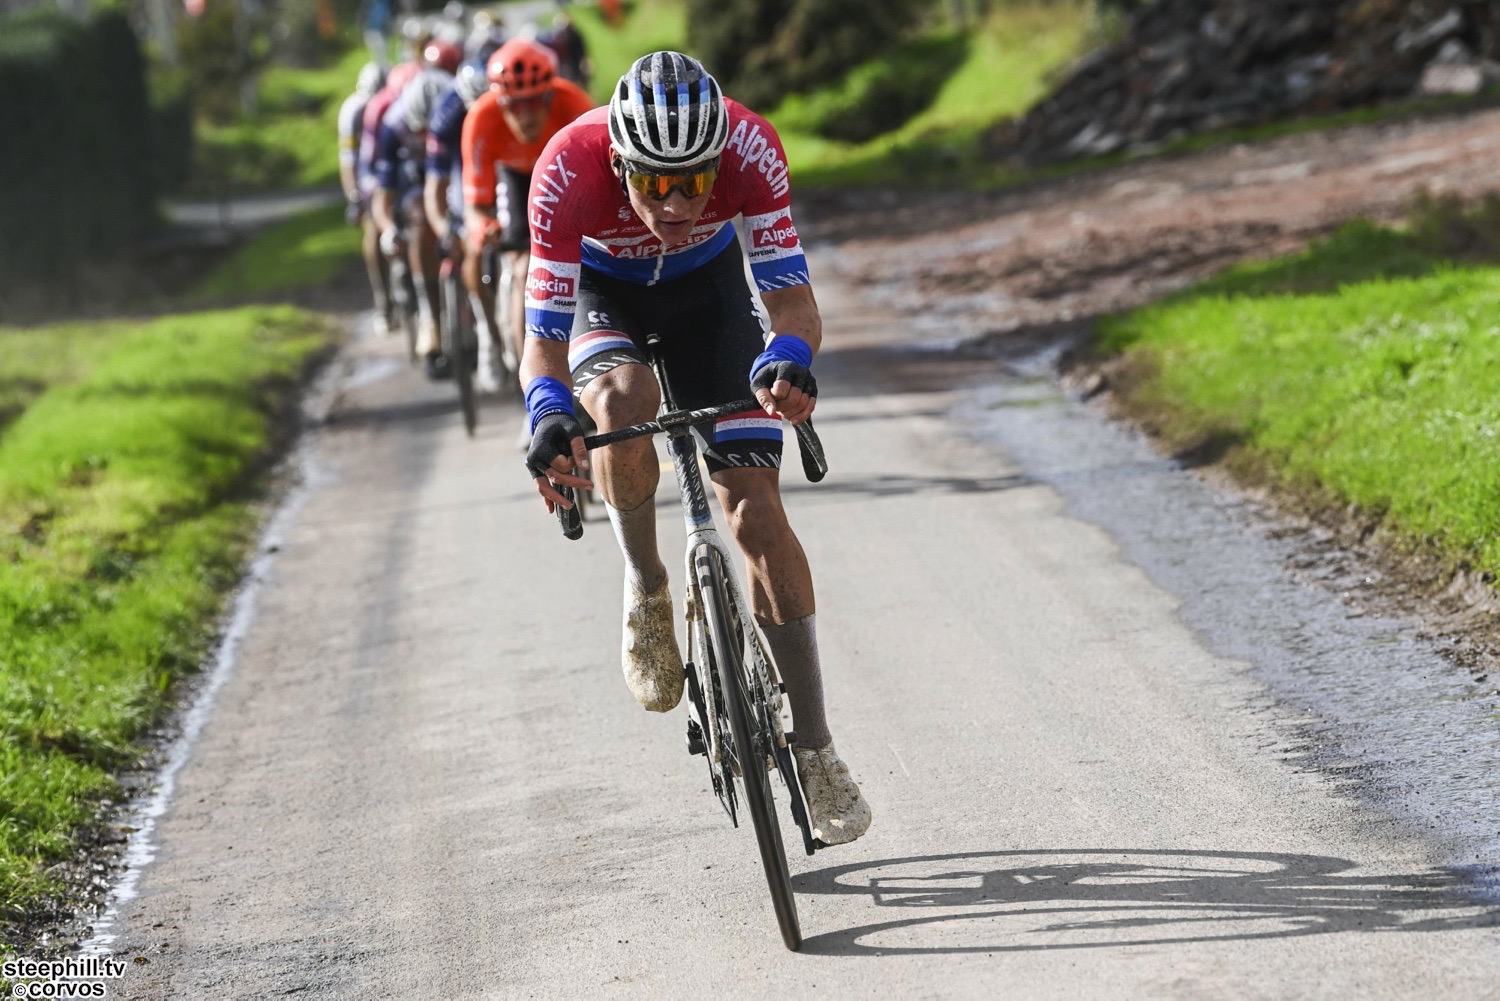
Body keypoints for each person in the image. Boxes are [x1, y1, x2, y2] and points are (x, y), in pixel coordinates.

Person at [519, 52, 872, 846]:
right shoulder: (566, 170)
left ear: (720, 160)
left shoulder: (752, 148)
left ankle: (816, 749)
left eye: (695, 182)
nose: (676, 204)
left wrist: (791, 358)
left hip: (708, 297)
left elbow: (792, 302)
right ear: (619, 166)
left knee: (756, 514)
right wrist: (548, 411)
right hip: (605, 296)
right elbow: (542, 339)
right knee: (620, 401)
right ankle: (647, 583)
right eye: (654, 183)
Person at [460, 39, 592, 392]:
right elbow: (474, 205)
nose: (526, 115)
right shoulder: (481, 118)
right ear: (499, 101)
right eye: (513, 105)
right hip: (516, 179)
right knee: (524, 270)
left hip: (563, 172)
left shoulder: (574, 104)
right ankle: (535, 387)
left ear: (551, 95)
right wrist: (482, 227)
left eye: (535, 102)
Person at [370, 67, 453, 374]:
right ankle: (430, 317)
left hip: (453, 175)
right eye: (423, 132)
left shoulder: (461, 113)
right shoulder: (393, 126)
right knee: (419, 218)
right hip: (414, 185)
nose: (430, 140)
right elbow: (383, 194)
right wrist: (388, 229)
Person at [339, 62, 393, 336]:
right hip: (367, 171)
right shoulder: (352, 111)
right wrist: (354, 197)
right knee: (372, 229)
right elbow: (348, 160)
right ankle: (383, 301)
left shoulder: (395, 103)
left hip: (392, 163)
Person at [539, 12, 590, 90]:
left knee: (580, 80)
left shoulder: (574, 35)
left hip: (575, 61)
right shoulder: (555, 38)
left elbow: (581, 49)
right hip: (563, 63)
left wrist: (584, 60)